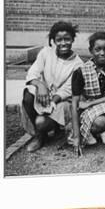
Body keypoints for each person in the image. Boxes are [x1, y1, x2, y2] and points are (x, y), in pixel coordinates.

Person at [20, 21, 84, 152]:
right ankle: (40, 136)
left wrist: (52, 101)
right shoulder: (46, 53)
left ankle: (54, 127)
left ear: (72, 39)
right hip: (42, 95)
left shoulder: (78, 64)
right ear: (53, 41)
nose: (63, 43)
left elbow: (68, 89)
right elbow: (33, 73)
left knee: (41, 122)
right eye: (59, 40)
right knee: (28, 93)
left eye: (67, 39)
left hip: (60, 100)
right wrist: (40, 85)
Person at [70, 32, 105, 154]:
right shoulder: (80, 71)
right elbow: (74, 104)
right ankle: (95, 130)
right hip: (87, 109)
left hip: (103, 103)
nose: (102, 53)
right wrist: (76, 136)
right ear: (91, 50)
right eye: (97, 49)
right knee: (101, 122)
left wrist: (91, 103)